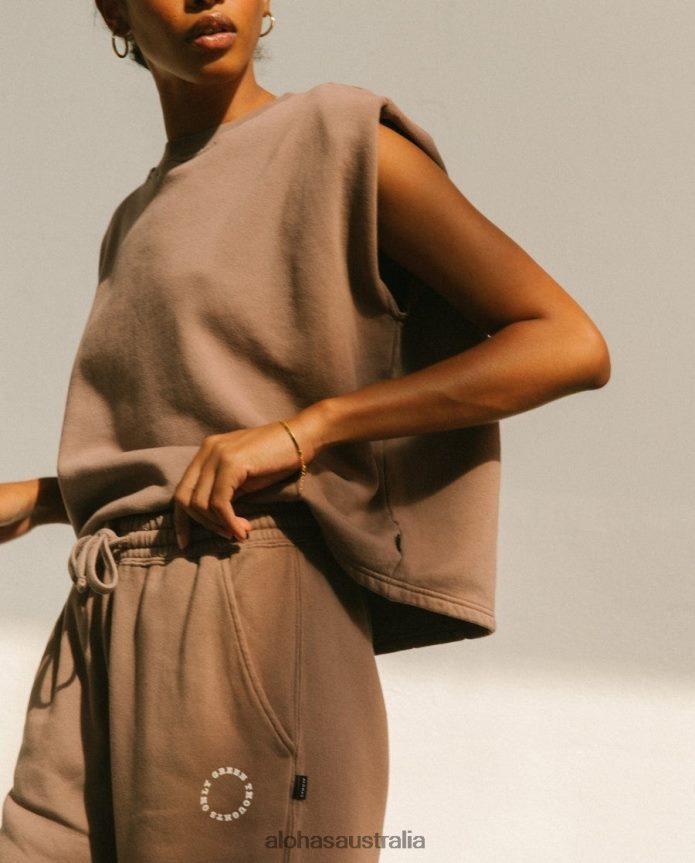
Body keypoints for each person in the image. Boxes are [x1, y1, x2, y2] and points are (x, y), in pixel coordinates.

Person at [0, 1, 611, 861]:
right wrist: (47, 497)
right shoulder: (134, 216)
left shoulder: (337, 138)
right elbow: (195, 446)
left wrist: (310, 428)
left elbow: (566, 342)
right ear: (116, 10)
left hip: (245, 598)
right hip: (102, 614)